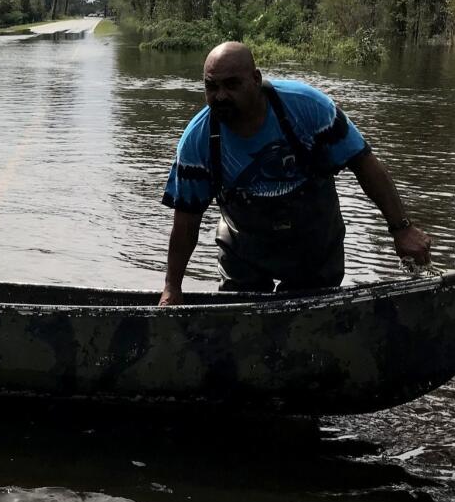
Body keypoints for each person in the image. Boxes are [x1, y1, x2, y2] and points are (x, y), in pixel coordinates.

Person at [158, 42, 431, 305]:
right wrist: (172, 287)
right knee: (241, 323)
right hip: (244, 245)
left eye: (232, 84)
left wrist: (401, 229)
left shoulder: (308, 107)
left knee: (314, 323)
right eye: (211, 86)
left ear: (255, 79)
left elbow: (364, 163)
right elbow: (185, 221)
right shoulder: (197, 141)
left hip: (314, 242)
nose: (220, 96)